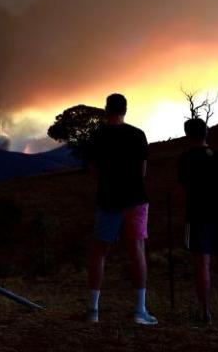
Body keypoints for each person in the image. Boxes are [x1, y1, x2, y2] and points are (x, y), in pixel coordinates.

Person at [82, 94, 157, 325]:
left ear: (107, 110)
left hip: (107, 199)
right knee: (137, 250)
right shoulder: (137, 135)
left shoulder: (96, 136)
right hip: (135, 199)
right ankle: (140, 310)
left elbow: (93, 171)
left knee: (99, 251)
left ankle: (93, 310)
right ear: (125, 110)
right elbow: (142, 172)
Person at [177, 118, 218, 324]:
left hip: (197, 215)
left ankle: (205, 313)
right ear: (206, 132)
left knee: (202, 263)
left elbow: (182, 190)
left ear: (188, 134)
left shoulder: (185, 159)